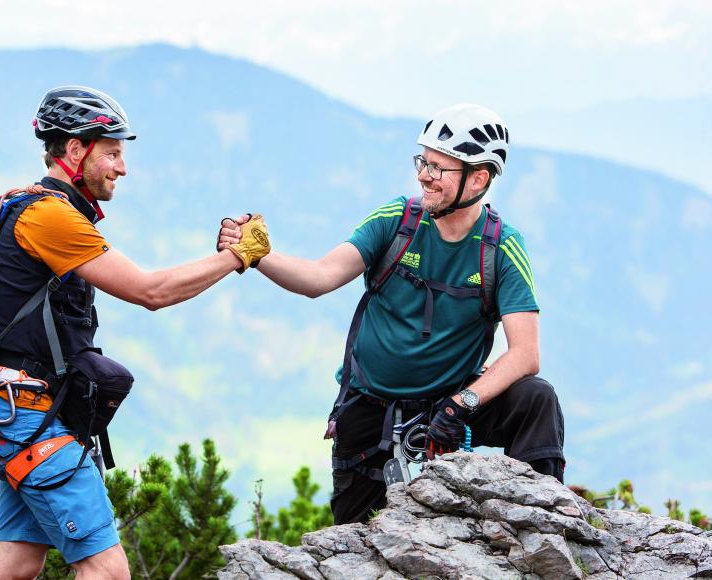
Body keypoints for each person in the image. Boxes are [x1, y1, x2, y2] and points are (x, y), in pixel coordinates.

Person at [0, 86, 269, 579]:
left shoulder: (35, 208)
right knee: (107, 571)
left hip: (16, 413)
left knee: (15, 568)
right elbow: (152, 291)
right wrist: (237, 255)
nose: (122, 167)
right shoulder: (49, 216)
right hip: (26, 416)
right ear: (74, 151)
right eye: (111, 153)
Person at [218, 104, 565, 525]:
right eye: (423, 162)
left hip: (449, 406)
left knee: (535, 398)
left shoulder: (501, 248)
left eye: (439, 168)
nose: (423, 175)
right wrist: (257, 254)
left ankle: (543, 523)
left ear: (478, 178)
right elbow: (319, 277)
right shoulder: (397, 220)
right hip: (369, 411)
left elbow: (525, 354)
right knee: (355, 540)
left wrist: (460, 405)